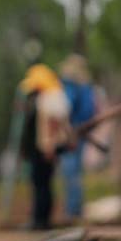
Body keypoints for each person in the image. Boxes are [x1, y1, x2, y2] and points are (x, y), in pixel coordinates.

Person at [19, 64, 70, 231]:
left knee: (42, 183)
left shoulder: (50, 97)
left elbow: (53, 124)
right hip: (43, 146)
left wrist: (50, 147)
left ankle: (41, 220)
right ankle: (40, 218)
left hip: (45, 147)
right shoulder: (50, 96)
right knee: (41, 183)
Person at [57, 54, 96, 222]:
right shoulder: (86, 86)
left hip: (71, 131)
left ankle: (72, 210)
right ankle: (76, 208)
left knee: (70, 171)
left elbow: (65, 107)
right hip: (82, 131)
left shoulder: (71, 86)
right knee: (76, 171)